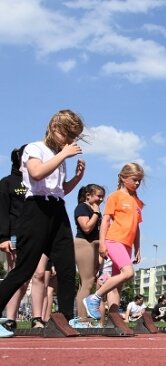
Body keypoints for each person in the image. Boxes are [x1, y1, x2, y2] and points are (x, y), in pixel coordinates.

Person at [0, 110, 86, 338]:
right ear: (56, 128)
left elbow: (60, 190)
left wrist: (76, 179)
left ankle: (65, 319)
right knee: (24, 269)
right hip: (35, 209)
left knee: (67, 267)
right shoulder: (34, 148)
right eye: (68, 135)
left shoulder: (60, 155)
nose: (71, 142)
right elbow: (37, 173)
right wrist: (63, 155)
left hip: (57, 209)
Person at [83, 162, 145, 321]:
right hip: (114, 240)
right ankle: (95, 297)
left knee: (118, 286)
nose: (137, 183)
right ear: (124, 178)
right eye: (134, 179)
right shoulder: (115, 196)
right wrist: (102, 243)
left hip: (127, 245)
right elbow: (105, 221)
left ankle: (114, 319)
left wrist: (137, 248)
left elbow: (136, 227)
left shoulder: (137, 202)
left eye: (139, 180)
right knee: (128, 273)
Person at [0, 145, 29, 333]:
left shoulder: (37, 182)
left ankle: (12, 317)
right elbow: (2, 211)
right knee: (16, 275)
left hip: (34, 234)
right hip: (14, 236)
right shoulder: (7, 182)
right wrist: (3, 237)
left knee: (27, 279)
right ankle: (9, 319)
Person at [72, 183, 105, 327]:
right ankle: (82, 319)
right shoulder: (82, 208)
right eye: (98, 196)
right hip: (84, 244)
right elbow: (86, 228)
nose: (101, 199)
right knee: (88, 282)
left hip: (95, 246)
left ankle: (83, 317)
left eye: (102, 197)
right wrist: (96, 213)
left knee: (86, 283)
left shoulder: (95, 209)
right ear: (88, 195)